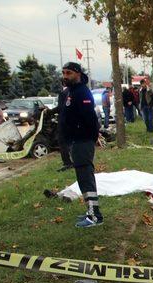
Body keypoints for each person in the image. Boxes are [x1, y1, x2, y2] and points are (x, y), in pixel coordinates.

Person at [59, 62, 102, 228]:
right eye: (63, 72)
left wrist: (92, 136)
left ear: (77, 73)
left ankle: (94, 216)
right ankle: (90, 210)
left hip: (82, 141)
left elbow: (89, 118)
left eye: (68, 73)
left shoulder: (82, 91)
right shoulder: (71, 91)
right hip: (75, 141)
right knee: (82, 178)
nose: (65, 76)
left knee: (86, 178)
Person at [53, 84, 73, 171]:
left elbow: (60, 108)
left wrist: (49, 111)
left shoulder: (63, 94)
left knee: (62, 142)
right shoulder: (74, 92)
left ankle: (67, 162)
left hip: (64, 122)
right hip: (73, 121)